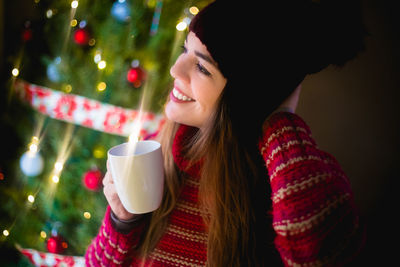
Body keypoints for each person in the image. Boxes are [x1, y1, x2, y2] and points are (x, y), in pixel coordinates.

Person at [85, 0, 367, 266]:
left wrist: (282, 120)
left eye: (201, 67)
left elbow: (317, 254)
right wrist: (122, 222)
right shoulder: (157, 154)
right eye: (185, 50)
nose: (174, 70)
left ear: (243, 97)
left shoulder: (286, 183)